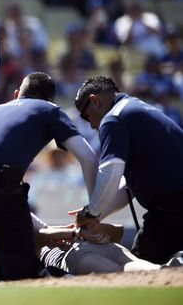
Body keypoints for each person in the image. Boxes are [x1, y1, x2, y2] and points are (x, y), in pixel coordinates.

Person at [0, 72, 99, 283]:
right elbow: (89, 158)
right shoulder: (50, 110)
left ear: (17, 94)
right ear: (50, 100)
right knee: (22, 271)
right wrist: (93, 211)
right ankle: (0, 267)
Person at [73, 75, 183, 265]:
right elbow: (128, 187)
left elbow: (111, 171)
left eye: (86, 116)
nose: (91, 125)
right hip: (174, 204)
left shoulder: (113, 118)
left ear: (94, 101)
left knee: (139, 267)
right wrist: (96, 215)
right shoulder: (134, 108)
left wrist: (90, 213)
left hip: (172, 206)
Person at [32, 214, 183, 275]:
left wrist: (81, 231)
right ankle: (175, 266)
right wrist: (77, 232)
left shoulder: (33, 238)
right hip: (98, 248)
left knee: (120, 273)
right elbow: (118, 231)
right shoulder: (68, 231)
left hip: (76, 255)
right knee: (154, 270)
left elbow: (118, 230)